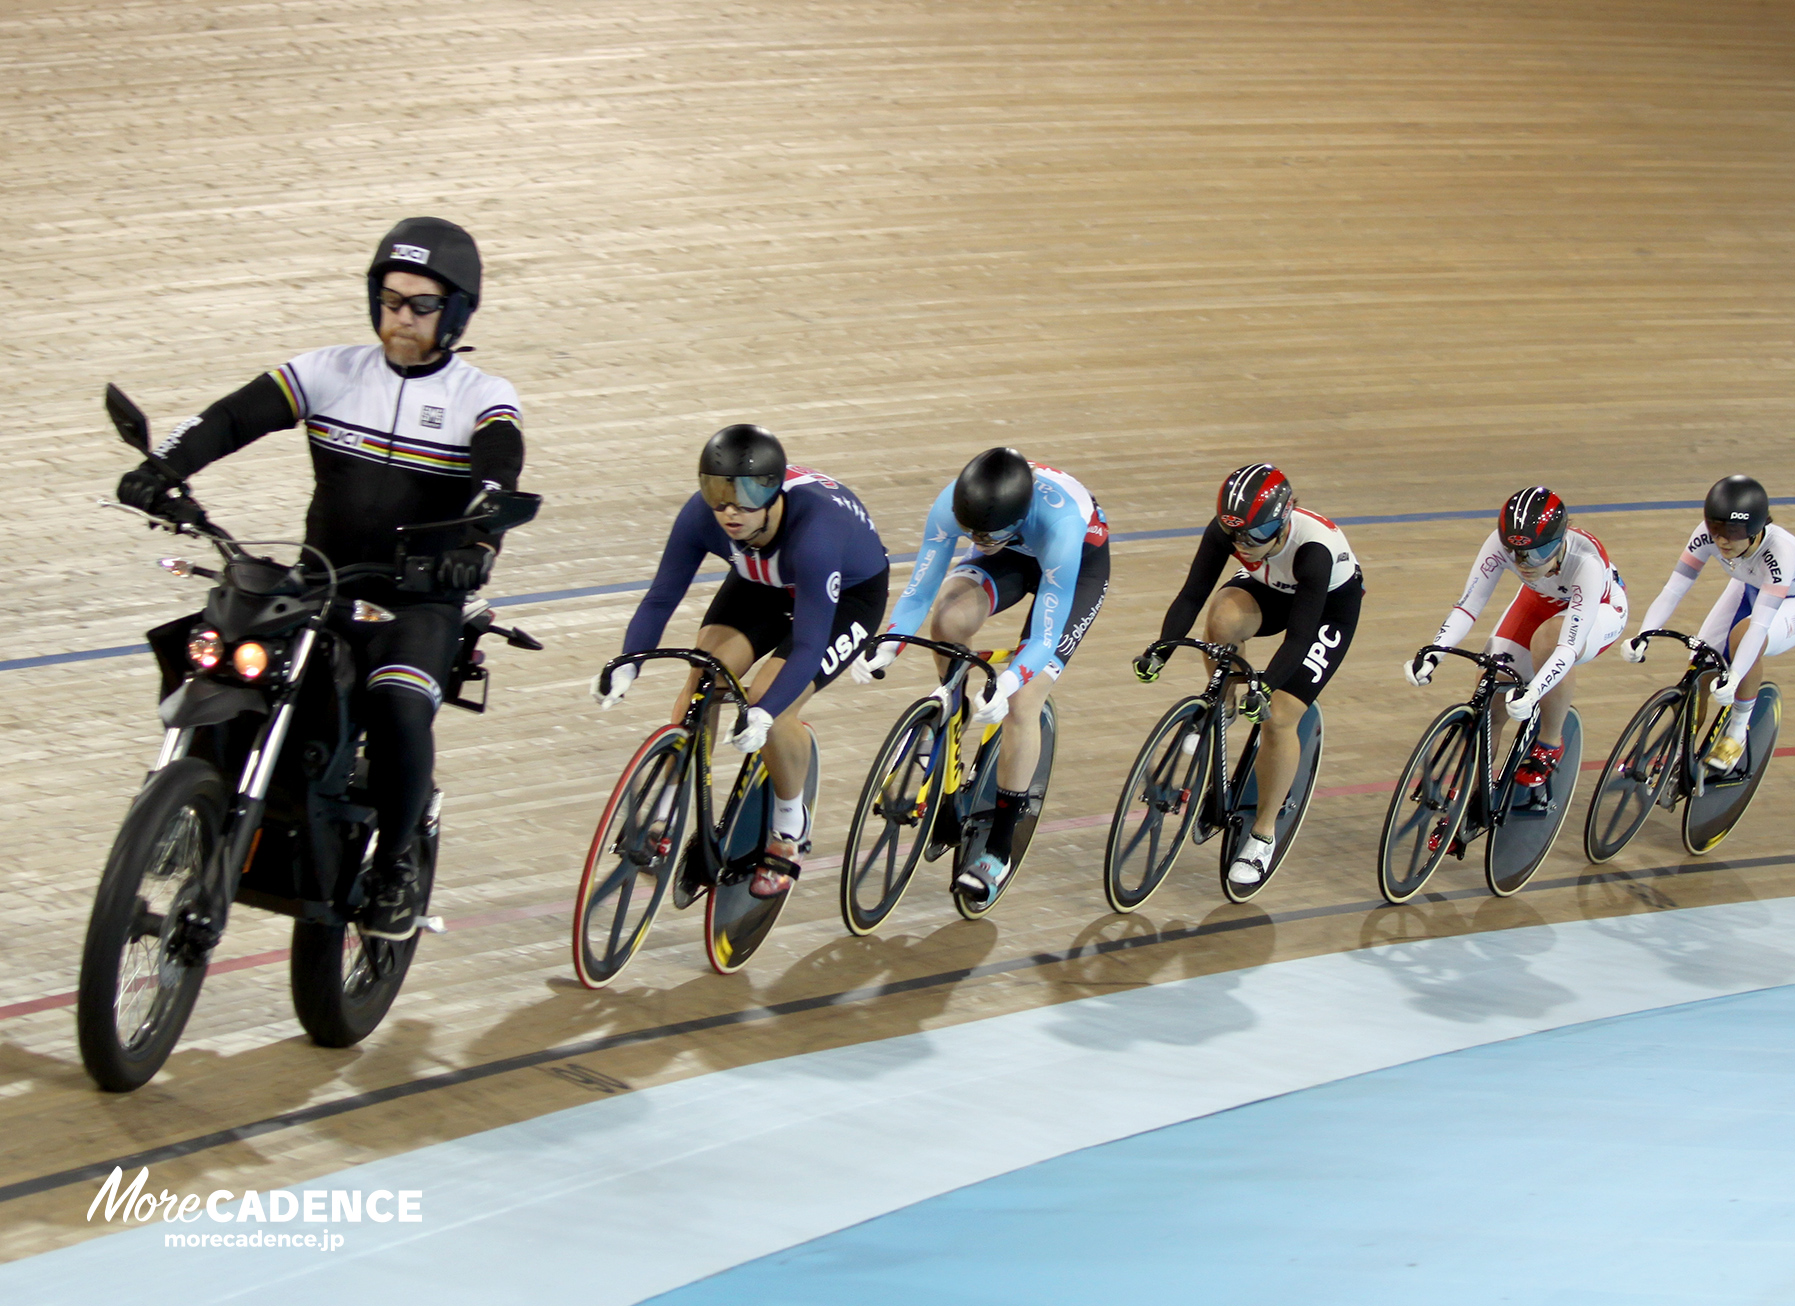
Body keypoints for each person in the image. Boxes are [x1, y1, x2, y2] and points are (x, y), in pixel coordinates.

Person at [115, 217, 525, 941]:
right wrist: (164, 469)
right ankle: (189, 804)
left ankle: (396, 866)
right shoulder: (328, 372)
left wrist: (481, 537)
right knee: (215, 646)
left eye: (420, 305)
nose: (400, 317)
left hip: (419, 599)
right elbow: (232, 417)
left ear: (456, 313)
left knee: (398, 706)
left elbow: (499, 471)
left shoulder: (481, 396)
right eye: (389, 300)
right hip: (324, 582)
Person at [593, 425, 889, 898]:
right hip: (764, 580)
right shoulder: (701, 516)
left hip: (844, 594)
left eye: (747, 496)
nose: (730, 511)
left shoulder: (816, 533)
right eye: (718, 493)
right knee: (704, 670)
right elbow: (661, 597)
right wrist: (628, 662)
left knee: (770, 700)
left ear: (773, 494)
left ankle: (790, 827)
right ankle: (666, 807)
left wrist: (766, 712)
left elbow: (810, 647)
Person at [853, 448, 1110, 906]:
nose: (974, 538)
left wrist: (1009, 682)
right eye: (971, 532)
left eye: (983, 534)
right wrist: (889, 643)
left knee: (1023, 701)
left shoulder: (1062, 525)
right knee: (948, 620)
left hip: (1076, 566)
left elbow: (1047, 633)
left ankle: (998, 849)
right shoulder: (956, 505)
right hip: (1012, 551)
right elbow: (921, 588)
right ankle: (954, 711)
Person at [1137, 464, 1364, 886]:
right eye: (1236, 535)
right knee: (1221, 618)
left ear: (1284, 520)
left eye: (1255, 536)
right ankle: (1223, 705)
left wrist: (1265, 686)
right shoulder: (1235, 531)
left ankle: (1263, 836)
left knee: (1278, 716)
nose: (1243, 544)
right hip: (1272, 586)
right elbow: (1192, 593)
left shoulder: (1314, 549)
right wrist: (1162, 648)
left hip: (1325, 609)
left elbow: (1298, 640)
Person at [1408, 486, 1627, 787]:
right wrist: (1434, 653)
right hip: (1538, 602)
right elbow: (1468, 607)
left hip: (1600, 611)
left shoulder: (1587, 561)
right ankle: (1467, 807)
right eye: (1516, 553)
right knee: (1489, 697)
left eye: (1538, 553)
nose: (1524, 564)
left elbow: (1568, 646)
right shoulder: (1503, 545)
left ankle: (1550, 743)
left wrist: (1534, 691)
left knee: (1549, 639)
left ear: (1561, 539)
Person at [1623, 474, 1795, 770]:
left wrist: (1736, 674)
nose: (1721, 540)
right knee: (1701, 662)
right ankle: (1680, 750)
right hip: (1750, 586)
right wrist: (1643, 634)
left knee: (1743, 638)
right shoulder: (1707, 535)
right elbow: (1673, 589)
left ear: (1756, 529)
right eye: (1715, 528)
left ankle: (1735, 733)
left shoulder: (1781, 551)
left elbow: (1759, 626)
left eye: (1732, 531)